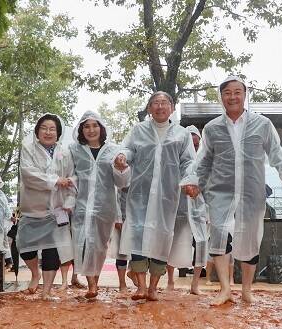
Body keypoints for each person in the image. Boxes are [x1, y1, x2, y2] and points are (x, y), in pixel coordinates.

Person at [189, 76, 282, 305]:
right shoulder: (212, 128)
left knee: (251, 238)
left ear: (245, 95)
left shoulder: (262, 124)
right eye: (227, 92)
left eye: (237, 92)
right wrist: (193, 181)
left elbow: (276, 153)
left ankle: (247, 289)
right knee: (218, 232)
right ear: (221, 97)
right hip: (220, 190)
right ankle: (225, 289)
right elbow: (202, 161)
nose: (232, 96)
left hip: (251, 190)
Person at [113, 91, 198, 301]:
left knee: (162, 238)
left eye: (164, 103)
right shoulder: (139, 130)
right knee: (138, 236)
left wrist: (190, 180)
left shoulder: (181, 134)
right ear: (149, 108)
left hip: (168, 197)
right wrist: (122, 157)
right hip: (140, 194)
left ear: (172, 107)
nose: (160, 107)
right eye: (155, 103)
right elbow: (127, 149)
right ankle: (141, 286)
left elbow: (188, 161)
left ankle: (153, 287)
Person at [70, 110, 131, 298]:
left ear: (101, 128)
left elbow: (121, 183)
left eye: (95, 125)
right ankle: (92, 285)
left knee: (99, 246)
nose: (91, 130)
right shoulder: (74, 150)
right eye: (86, 126)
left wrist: (122, 169)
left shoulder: (113, 150)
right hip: (81, 206)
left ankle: (95, 278)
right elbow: (69, 174)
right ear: (81, 130)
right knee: (83, 243)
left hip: (106, 207)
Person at [16, 113, 76, 301]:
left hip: (57, 210)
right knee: (24, 245)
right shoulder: (28, 149)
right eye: (44, 128)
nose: (48, 132)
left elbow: (73, 177)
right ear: (37, 131)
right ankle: (35, 273)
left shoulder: (65, 153)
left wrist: (69, 201)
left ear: (58, 133)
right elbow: (28, 174)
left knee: (53, 251)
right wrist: (56, 180)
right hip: (33, 208)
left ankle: (47, 291)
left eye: (52, 129)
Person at [167, 124, 208, 295]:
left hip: (200, 211)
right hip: (178, 210)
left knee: (200, 244)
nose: (193, 147)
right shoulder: (176, 162)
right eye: (189, 143)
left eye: (196, 144)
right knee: (172, 244)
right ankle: (170, 281)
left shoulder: (205, 162)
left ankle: (195, 284)